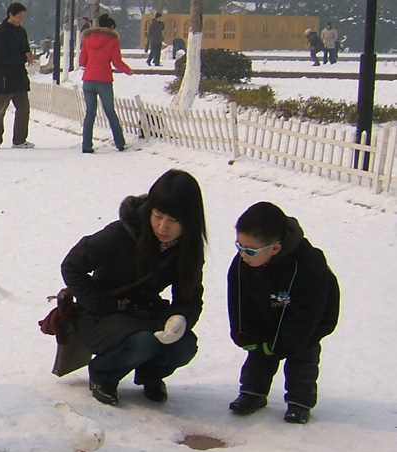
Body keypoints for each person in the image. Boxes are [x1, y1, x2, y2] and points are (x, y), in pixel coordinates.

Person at [61, 170, 207, 406]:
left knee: (184, 345)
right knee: (143, 342)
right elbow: (72, 266)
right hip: (100, 313)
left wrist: (180, 317)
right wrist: (103, 304)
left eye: (173, 220)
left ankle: (151, 375)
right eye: (157, 215)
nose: (162, 226)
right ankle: (103, 375)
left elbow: (189, 296)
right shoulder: (120, 234)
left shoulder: (187, 248)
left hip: (143, 311)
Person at [227, 202, 339, 424]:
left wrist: (284, 343)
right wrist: (243, 333)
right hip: (267, 312)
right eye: (239, 246)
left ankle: (300, 402)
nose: (242, 254)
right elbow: (239, 300)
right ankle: (252, 392)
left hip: (309, 322)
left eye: (249, 250)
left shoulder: (309, 266)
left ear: (275, 248)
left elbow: (306, 315)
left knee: (302, 358)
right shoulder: (244, 263)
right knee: (259, 351)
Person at [79, 13, 133, 154]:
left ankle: (86, 145)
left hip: (88, 80)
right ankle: (120, 142)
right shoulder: (112, 40)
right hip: (103, 80)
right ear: (110, 27)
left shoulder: (87, 38)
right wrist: (128, 70)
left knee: (90, 113)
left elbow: (82, 61)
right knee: (110, 111)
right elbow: (117, 62)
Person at [0, 3, 35, 151]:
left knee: (23, 109)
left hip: (20, 77)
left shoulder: (21, 32)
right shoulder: (1, 33)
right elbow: (0, 56)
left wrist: (28, 55)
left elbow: (25, 48)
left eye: (23, 17)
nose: (21, 19)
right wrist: (22, 57)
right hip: (5, 77)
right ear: (10, 15)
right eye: (19, 16)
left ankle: (19, 139)